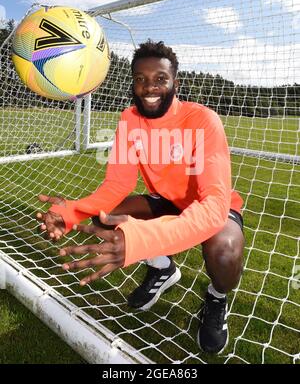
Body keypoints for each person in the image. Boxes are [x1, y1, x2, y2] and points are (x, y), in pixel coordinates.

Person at [37, 40, 245, 355]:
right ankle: (163, 268)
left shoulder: (203, 120)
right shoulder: (129, 119)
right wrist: (71, 212)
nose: (149, 87)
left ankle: (216, 298)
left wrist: (144, 239)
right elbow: (116, 185)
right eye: (140, 79)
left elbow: (214, 205)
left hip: (211, 205)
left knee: (226, 251)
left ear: (176, 82)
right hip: (166, 200)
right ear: (133, 82)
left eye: (160, 79)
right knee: (105, 215)